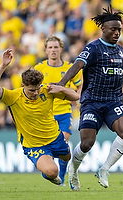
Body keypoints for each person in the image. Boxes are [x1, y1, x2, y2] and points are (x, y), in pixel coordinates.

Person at [57, 5, 123, 191]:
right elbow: (77, 65)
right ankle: (73, 169)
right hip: (92, 102)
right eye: (113, 29)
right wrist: (62, 84)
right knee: (87, 143)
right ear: (103, 29)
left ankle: (104, 169)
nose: (117, 32)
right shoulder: (93, 48)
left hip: (113, 102)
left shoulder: (120, 50)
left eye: (119, 29)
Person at [0, 49, 79, 185]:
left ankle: (63, 175)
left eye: (37, 89)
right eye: (31, 90)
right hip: (34, 145)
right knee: (53, 171)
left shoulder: (46, 90)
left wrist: (61, 88)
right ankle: (50, 174)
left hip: (55, 137)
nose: (36, 93)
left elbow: (76, 97)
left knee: (67, 156)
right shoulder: (14, 96)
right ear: (23, 85)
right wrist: (3, 66)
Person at [34, 35, 82, 186]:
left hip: (64, 111)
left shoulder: (69, 67)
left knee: (63, 143)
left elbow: (80, 84)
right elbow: (30, 88)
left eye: (56, 47)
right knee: (48, 145)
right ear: (46, 50)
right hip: (45, 114)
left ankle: (60, 176)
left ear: (61, 49)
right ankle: (50, 170)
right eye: (50, 47)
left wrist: (77, 97)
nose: (53, 50)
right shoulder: (39, 68)